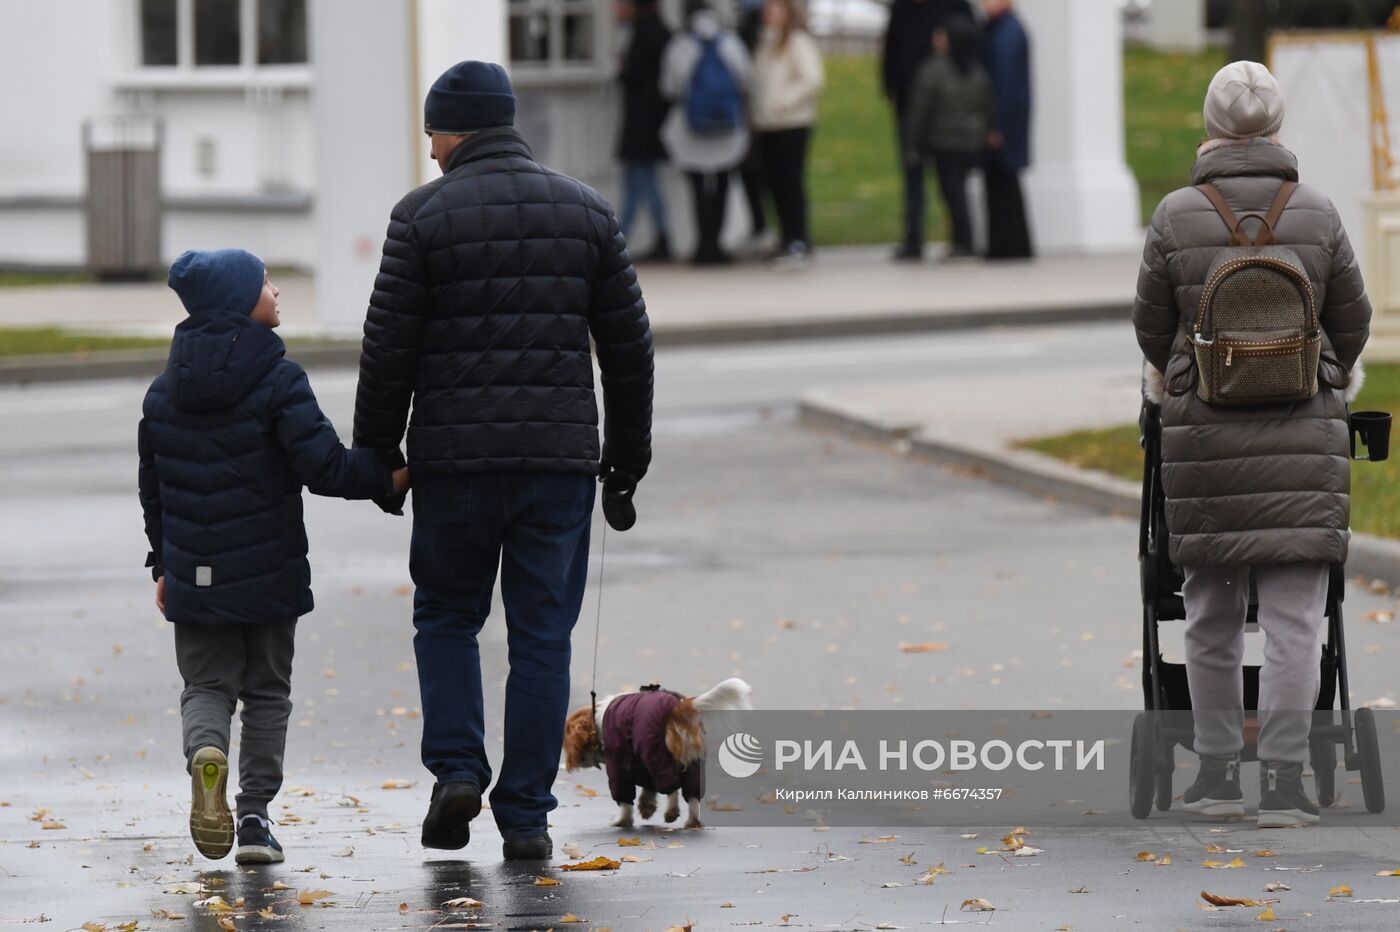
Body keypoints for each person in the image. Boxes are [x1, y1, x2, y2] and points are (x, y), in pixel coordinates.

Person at [353, 61, 654, 861]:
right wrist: (625, 462)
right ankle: (526, 812)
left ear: (458, 131)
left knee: (447, 618)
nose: (430, 151)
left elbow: (388, 352)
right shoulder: (587, 212)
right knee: (542, 637)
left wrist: (380, 455)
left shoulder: (421, 218)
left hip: (454, 467)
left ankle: (457, 769)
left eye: (433, 134)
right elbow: (628, 352)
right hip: (557, 466)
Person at [1132, 61, 1371, 828]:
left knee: (1208, 607)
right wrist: (1327, 367)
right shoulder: (1318, 211)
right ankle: (1288, 783)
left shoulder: (1174, 215)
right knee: (1298, 614)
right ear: (1275, 130)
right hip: (1304, 433)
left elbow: (1149, 325)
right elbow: (1354, 317)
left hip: (1204, 438)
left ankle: (1212, 775)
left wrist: (1181, 374)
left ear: (1211, 128)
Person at [138, 249, 407, 865]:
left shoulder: (163, 391)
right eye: (264, 283)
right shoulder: (277, 378)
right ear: (240, 300)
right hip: (269, 572)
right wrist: (393, 475)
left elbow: (153, 487)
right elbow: (323, 466)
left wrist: (162, 563)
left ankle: (207, 756)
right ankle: (255, 818)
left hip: (195, 574)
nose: (277, 290)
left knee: (206, 684)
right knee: (266, 691)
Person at [661, 0, 753, 265]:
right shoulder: (731, 43)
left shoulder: (680, 46)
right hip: (728, 130)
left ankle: (703, 244)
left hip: (690, 128)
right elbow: (747, 78)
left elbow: (669, 87)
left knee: (698, 187)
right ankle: (717, 243)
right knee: (722, 184)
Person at [882, 0, 974, 261]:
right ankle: (913, 239)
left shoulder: (954, 6)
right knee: (912, 169)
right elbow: (891, 48)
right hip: (909, 103)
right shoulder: (903, 8)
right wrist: (889, 84)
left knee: (951, 178)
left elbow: (969, 45)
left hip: (946, 109)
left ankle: (962, 239)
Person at [904, 16, 993, 259]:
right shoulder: (975, 70)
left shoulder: (934, 70)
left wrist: (912, 143)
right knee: (958, 192)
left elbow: (919, 110)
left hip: (944, 143)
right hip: (968, 142)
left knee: (952, 193)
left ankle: (963, 242)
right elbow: (985, 107)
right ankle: (963, 239)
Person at [751, 0, 825, 268]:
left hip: (792, 124)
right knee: (773, 185)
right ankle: (785, 237)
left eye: (774, 8)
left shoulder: (797, 41)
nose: (768, 13)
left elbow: (812, 79)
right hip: (767, 125)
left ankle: (799, 239)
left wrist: (782, 103)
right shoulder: (766, 42)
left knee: (790, 183)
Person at [616, 0, 674, 262]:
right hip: (652, 120)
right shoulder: (661, 31)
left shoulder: (644, 33)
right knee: (637, 180)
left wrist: (623, 69)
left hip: (642, 121)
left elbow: (633, 75)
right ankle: (621, 237)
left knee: (641, 181)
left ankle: (625, 237)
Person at [980, 0, 1033, 259]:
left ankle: (1007, 247)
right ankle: (1008, 246)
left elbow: (1005, 83)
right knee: (1001, 183)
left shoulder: (1007, 31)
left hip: (1004, 122)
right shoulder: (1000, 29)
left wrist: (995, 125)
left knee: (1003, 185)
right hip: (1006, 121)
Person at [736, 0, 773, 256]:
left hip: (765, 117)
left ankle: (764, 228)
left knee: (762, 175)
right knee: (752, 174)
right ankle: (761, 227)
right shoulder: (749, 37)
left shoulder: (767, 39)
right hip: (753, 117)